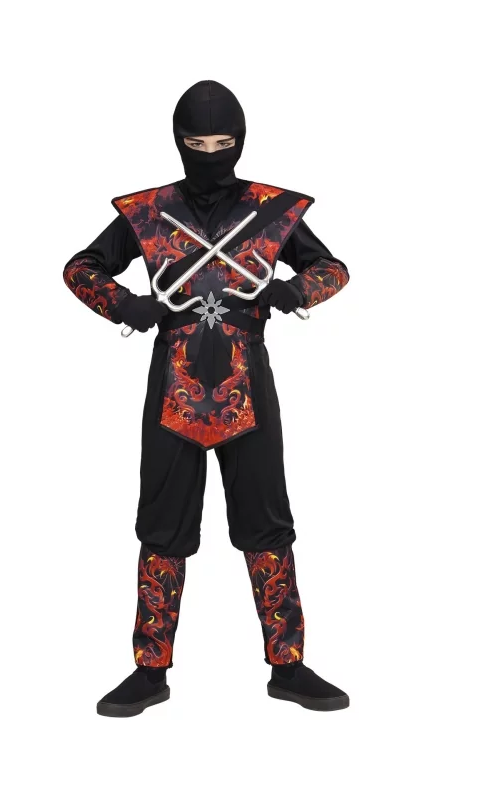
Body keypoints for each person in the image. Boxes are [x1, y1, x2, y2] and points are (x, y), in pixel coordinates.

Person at [63, 80, 350, 717]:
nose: (212, 154)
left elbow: (333, 269)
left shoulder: (271, 211)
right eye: (198, 143)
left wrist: (294, 292)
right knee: (161, 527)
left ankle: (288, 667)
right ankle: (150, 672)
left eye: (224, 143)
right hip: (174, 388)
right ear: (179, 141)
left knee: (268, 525)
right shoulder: (149, 212)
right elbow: (80, 268)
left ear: (241, 141)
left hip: (249, 388)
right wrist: (125, 305)